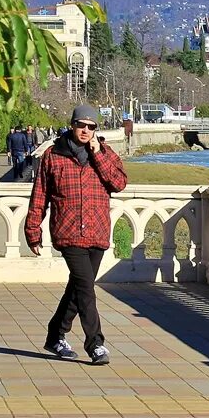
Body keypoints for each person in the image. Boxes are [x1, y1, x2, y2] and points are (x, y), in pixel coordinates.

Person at [24, 104, 128, 365]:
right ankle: (96, 345)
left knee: (78, 287)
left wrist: (98, 156)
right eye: (81, 125)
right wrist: (32, 230)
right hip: (68, 232)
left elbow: (119, 183)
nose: (85, 130)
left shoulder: (105, 153)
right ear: (72, 125)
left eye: (91, 127)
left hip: (97, 231)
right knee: (85, 288)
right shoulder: (53, 155)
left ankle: (55, 335)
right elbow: (40, 196)